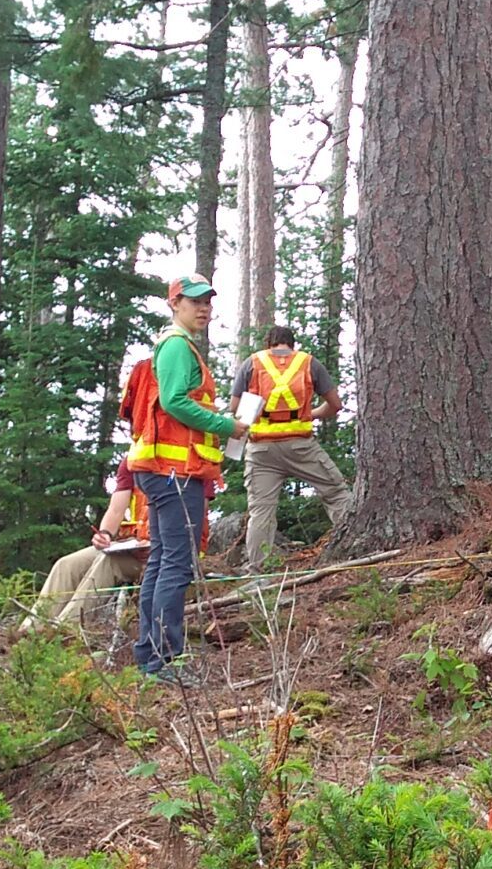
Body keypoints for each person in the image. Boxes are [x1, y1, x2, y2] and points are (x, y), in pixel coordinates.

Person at [126, 275, 243, 678]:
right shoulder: (177, 347)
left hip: (163, 472)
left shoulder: (173, 345)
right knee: (176, 564)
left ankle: (149, 655)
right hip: (175, 473)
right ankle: (163, 660)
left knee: (162, 561)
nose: (204, 308)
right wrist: (226, 425)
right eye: (194, 302)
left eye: (208, 301)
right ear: (174, 303)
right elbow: (175, 402)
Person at [230, 324, 353, 572]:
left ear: (268, 344)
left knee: (261, 511)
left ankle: (258, 572)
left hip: (262, 449)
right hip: (300, 446)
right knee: (336, 492)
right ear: (291, 344)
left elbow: (235, 408)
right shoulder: (308, 363)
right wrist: (309, 415)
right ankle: (355, 548)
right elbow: (335, 405)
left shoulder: (252, 363)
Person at [22, 464, 149, 633]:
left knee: (110, 561)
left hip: (170, 555)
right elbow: (116, 510)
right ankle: (30, 631)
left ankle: (65, 630)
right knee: (66, 565)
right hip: (135, 546)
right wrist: (105, 535)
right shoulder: (133, 460)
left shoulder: (181, 461)